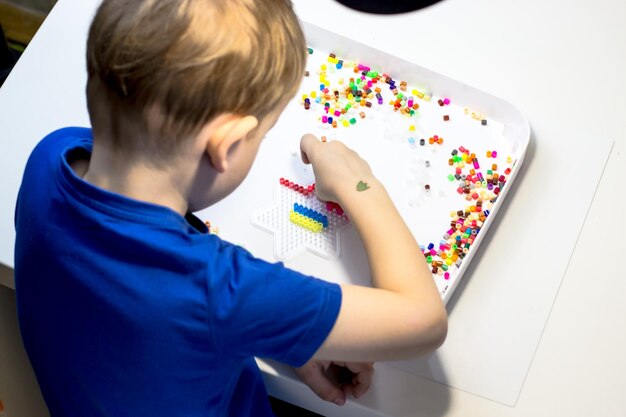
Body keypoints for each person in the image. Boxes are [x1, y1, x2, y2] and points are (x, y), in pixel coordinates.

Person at [13, 0, 448, 416]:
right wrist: (361, 183)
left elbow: (153, 314)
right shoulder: (219, 289)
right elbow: (423, 321)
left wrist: (274, 331)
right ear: (226, 145)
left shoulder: (49, 158)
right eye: (264, 134)